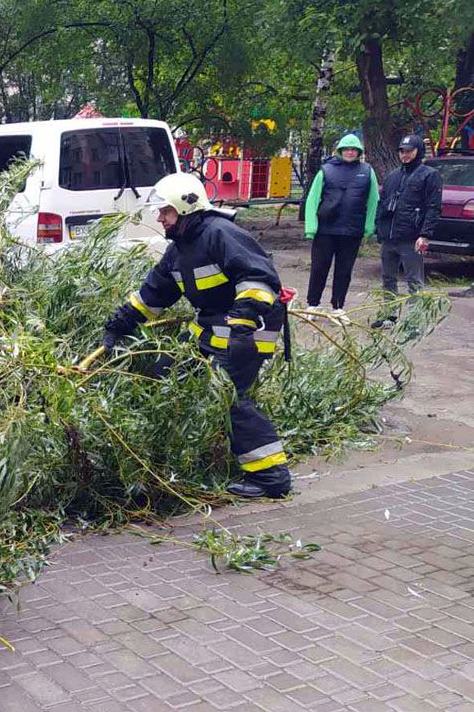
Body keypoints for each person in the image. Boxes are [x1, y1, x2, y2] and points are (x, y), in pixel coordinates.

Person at [103, 172, 291, 500]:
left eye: (165, 211)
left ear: (186, 208)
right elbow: (153, 296)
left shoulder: (220, 234)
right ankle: (192, 449)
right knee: (167, 370)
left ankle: (271, 477)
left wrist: (244, 321)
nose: (159, 217)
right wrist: (116, 328)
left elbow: (259, 278)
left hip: (249, 330)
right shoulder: (179, 250)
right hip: (211, 329)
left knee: (227, 394)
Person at [302, 133, 379, 317]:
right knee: (319, 267)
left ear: (359, 152)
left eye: (354, 149)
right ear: (340, 151)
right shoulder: (326, 170)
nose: (350, 152)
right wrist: (311, 228)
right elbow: (312, 199)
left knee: (344, 270)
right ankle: (312, 305)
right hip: (325, 230)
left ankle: (338, 307)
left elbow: (374, 200)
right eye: (347, 149)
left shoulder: (367, 171)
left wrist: (369, 227)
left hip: (352, 231)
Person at [373, 134, 443, 326]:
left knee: (414, 280)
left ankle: (415, 320)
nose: (404, 155)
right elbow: (383, 203)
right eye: (402, 151)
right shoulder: (393, 175)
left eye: (409, 151)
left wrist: (425, 235)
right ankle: (389, 316)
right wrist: (378, 228)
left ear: (418, 151)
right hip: (389, 237)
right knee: (388, 278)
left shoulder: (429, 175)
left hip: (411, 238)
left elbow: (433, 207)